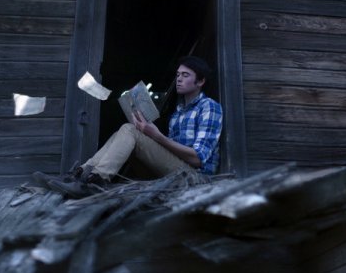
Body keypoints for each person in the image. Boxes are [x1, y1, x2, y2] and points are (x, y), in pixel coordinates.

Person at [44, 55, 222, 196]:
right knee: (126, 130)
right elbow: (171, 152)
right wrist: (148, 131)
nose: (179, 79)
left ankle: (96, 179)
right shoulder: (178, 112)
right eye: (177, 75)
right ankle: (82, 174)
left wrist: (156, 136)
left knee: (130, 131)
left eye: (185, 75)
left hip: (194, 178)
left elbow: (197, 159)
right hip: (173, 172)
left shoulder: (209, 107)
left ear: (200, 82)